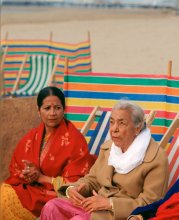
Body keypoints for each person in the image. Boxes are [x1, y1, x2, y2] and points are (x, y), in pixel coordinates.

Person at [40, 100, 169, 220]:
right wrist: (75, 189)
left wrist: (110, 203)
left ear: (137, 128)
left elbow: (151, 203)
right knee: (51, 207)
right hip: (94, 205)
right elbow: (93, 179)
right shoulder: (109, 148)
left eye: (122, 123)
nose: (114, 129)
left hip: (119, 214)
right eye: (112, 122)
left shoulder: (156, 158)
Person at [0, 86, 96, 219]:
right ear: (38, 111)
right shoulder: (32, 136)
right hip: (34, 188)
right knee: (5, 192)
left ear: (64, 110)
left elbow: (78, 182)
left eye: (57, 108)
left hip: (58, 193)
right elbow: (16, 167)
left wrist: (42, 178)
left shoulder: (75, 140)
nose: (52, 113)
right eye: (47, 108)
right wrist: (28, 173)